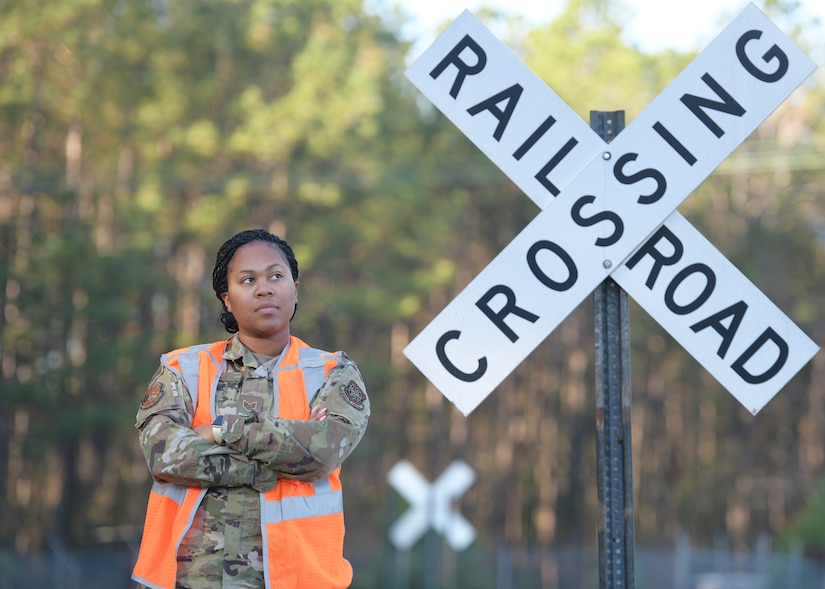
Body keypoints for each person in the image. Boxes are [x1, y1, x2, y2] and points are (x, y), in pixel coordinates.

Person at [132, 229, 370, 589]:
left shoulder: (331, 373)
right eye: (248, 280)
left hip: (299, 579)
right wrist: (274, 462)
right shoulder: (184, 368)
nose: (264, 288)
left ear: (295, 288)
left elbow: (323, 452)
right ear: (227, 299)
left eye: (276, 276)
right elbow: (163, 453)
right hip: (189, 581)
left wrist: (222, 430)